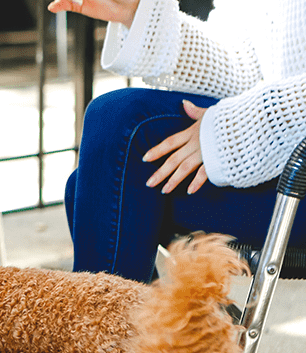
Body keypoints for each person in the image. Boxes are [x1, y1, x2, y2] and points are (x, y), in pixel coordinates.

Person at [50, 0, 306, 282]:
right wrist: (142, 20)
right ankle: (136, 323)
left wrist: (238, 129)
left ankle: (110, 324)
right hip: (280, 166)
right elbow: (245, 63)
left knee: (120, 129)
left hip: (296, 174)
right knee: (98, 180)